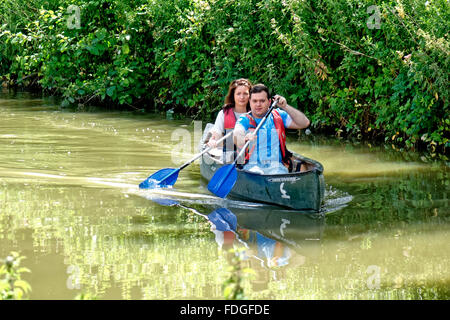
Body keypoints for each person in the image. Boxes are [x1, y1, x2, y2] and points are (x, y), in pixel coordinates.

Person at [233, 84, 310, 174]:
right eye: (255, 101)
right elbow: (237, 133)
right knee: (257, 173)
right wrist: (244, 137)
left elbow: (304, 123)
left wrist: (285, 107)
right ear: (250, 102)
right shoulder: (244, 119)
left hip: (277, 167)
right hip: (252, 167)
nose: (258, 104)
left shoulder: (278, 115)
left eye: (262, 101)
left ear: (269, 102)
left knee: (278, 172)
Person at [206, 78, 252, 162]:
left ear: (250, 96)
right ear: (233, 96)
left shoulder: (255, 114)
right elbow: (216, 135)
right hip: (229, 156)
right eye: (238, 94)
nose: (242, 97)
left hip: (251, 156)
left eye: (245, 94)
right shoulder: (224, 114)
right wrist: (212, 141)